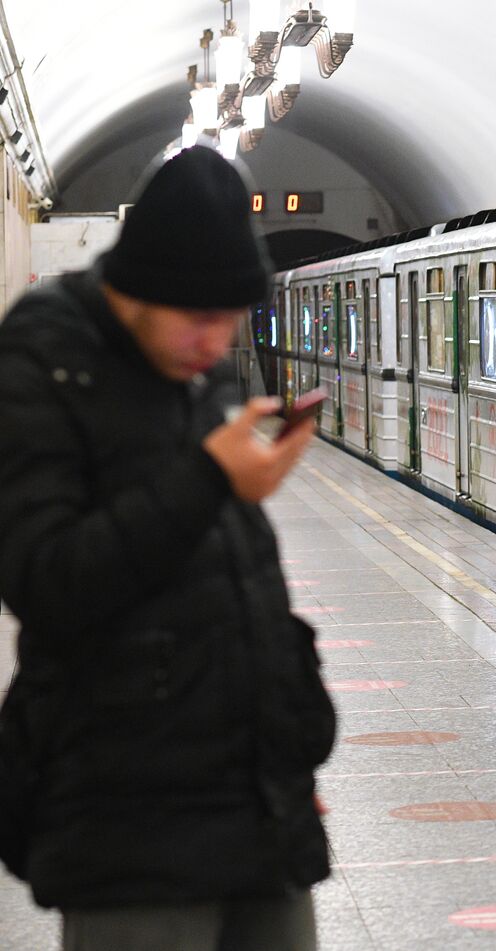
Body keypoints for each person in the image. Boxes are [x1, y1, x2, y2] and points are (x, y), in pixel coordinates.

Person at [0, 146, 335, 951]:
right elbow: (45, 580)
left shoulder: (201, 364)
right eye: (199, 318)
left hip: (256, 806)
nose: (216, 341)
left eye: (230, 320)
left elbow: (235, 574)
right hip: (126, 817)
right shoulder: (40, 357)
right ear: (138, 288)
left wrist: (281, 752)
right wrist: (208, 478)